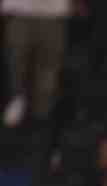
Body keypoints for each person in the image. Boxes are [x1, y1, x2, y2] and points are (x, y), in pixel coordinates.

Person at [3, 0, 71, 128]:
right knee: (16, 63)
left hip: (53, 14)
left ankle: (42, 113)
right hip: (19, 11)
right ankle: (18, 98)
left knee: (48, 67)